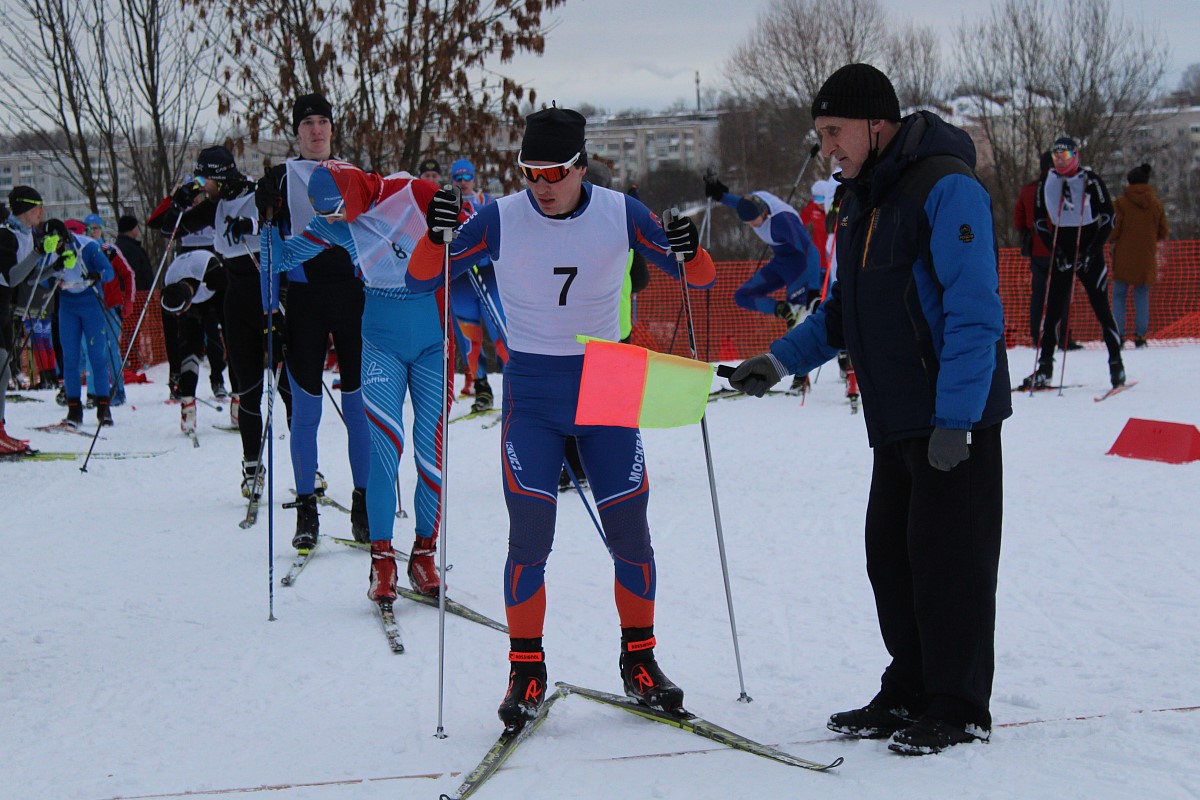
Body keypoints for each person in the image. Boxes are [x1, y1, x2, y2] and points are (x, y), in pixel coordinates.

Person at [730, 63, 1010, 755]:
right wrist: (778, 361)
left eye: (834, 132)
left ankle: (958, 704)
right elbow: (841, 313)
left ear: (875, 125)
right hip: (896, 416)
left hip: (952, 418)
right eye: (822, 134)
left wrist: (958, 420)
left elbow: (975, 314)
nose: (827, 147)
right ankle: (911, 687)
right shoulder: (861, 199)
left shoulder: (946, 186)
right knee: (892, 557)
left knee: (950, 562)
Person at [406, 107, 715, 732]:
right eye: (529, 172)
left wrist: (690, 246)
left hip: (607, 379)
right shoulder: (500, 218)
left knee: (629, 527)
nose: (541, 184)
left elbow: (699, 278)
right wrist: (436, 238)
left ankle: (640, 660)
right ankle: (526, 668)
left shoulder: (619, 212)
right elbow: (420, 280)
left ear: (580, 166)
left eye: (553, 171)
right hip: (536, 389)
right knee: (530, 532)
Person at [264, 159, 449, 595]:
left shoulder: (414, 192)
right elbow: (279, 260)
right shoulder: (335, 225)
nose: (332, 222)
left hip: (431, 343)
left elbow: (473, 239)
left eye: (335, 212)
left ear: (353, 194)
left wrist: (456, 217)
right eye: (325, 215)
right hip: (380, 341)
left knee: (429, 454)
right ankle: (382, 559)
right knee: (386, 448)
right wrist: (267, 219)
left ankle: (424, 554)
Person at [255, 93, 371, 550]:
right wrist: (268, 312)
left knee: (359, 408)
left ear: (332, 129)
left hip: (354, 300)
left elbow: (375, 238)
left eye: (323, 122)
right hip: (303, 302)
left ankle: (363, 503)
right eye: (308, 124)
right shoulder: (279, 179)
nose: (317, 130)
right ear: (297, 131)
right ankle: (307, 510)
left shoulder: (353, 176)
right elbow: (268, 253)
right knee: (306, 412)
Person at [170, 146, 292, 500]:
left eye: (204, 179)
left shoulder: (258, 194)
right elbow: (167, 228)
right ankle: (252, 466)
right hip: (235, 304)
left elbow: (282, 226)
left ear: (220, 177)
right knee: (248, 389)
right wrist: (178, 203)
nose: (202, 185)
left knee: (287, 389)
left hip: (268, 297)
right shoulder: (214, 204)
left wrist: (252, 224)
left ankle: (305, 465)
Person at [704, 175, 821, 391]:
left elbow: (810, 251)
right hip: (780, 262)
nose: (752, 226)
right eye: (748, 223)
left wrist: (814, 289)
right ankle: (781, 308)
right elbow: (739, 203)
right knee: (742, 295)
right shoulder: (752, 203)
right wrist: (720, 195)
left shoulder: (783, 222)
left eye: (755, 221)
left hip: (800, 268)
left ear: (764, 213)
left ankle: (801, 379)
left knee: (795, 323)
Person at [1024, 136, 1123, 390]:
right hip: (1062, 251)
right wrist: (1055, 251)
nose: (1060, 161)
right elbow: (1037, 221)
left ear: (1075, 156)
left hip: (1088, 247)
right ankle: (1045, 367)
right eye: (1056, 156)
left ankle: (1116, 364)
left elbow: (1109, 217)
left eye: (1065, 156)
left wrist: (1092, 250)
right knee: (1054, 310)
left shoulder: (1090, 179)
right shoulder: (1047, 180)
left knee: (1101, 308)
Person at [42, 217, 115, 428]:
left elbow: (109, 272)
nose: (56, 246)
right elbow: (40, 279)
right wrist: (53, 272)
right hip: (67, 305)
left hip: (90, 302)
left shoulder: (88, 246)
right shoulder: (48, 250)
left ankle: (103, 407)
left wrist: (97, 275)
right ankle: (74, 409)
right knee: (70, 358)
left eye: (58, 241)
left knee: (96, 356)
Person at [447, 157, 507, 412]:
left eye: (466, 177)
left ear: (474, 178)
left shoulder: (488, 203)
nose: (463, 183)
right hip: (461, 281)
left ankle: (516, 387)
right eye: (457, 178)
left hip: (489, 276)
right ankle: (482, 389)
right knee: (468, 338)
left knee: (502, 332)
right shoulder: (446, 204)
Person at [159, 250, 227, 436]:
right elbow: (171, 338)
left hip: (214, 292)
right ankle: (188, 407)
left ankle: (237, 403)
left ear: (188, 303)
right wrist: (175, 373)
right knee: (188, 348)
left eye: (180, 312)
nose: (177, 316)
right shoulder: (169, 290)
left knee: (218, 340)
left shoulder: (215, 276)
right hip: (190, 289)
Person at [0, 186, 47, 453]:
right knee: (1, 369)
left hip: (3, 307)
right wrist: (39, 253)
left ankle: (1, 429)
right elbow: (12, 276)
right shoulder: (6, 236)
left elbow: (29, 278)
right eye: (36, 208)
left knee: (4, 370)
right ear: (24, 210)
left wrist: (56, 265)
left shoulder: (26, 234)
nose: (41, 212)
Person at [1110, 163, 1168, 348]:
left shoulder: (1120, 203)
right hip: (1146, 256)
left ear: (1129, 182)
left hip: (1123, 257)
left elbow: (1114, 231)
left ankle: (1118, 335)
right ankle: (1141, 337)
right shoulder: (1156, 204)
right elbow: (1163, 231)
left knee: (1119, 295)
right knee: (1142, 295)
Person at [82, 213, 135, 406]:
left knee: (112, 349)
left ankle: (118, 390)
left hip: (110, 308)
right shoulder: (83, 250)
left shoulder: (110, 250)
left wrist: (128, 301)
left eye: (96, 228)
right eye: (89, 228)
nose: (93, 232)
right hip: (89, 308)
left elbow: (128, 274)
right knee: (91, 350)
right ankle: (94, 393)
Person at [115, 215, 155, 291]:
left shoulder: (117, 247)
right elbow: (135, 274)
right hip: (136, 296)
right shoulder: (131, 249)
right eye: (136, 227)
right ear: (132, 229)